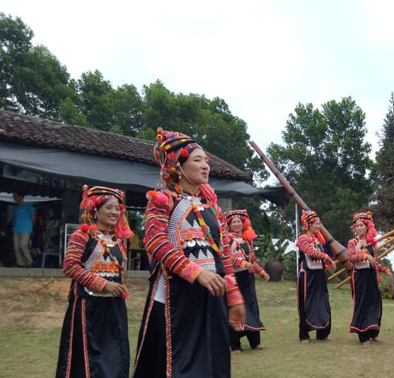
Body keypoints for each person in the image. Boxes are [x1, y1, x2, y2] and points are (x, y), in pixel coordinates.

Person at [133, 128, 245, 378]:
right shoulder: (162, 199)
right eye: (197, 160)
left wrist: (235, 297)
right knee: (178, 365)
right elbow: (156, 241)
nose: (206, 165)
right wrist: (196, 273)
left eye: (206, 160)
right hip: (175, 298)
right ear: (177, 165)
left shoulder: (213, 208)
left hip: (212, 297)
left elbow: (224, 254)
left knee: (213, 364)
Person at [56, 185, 133, 378]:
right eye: (109, 208)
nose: (114, 212)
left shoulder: (119, 240)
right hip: (88, 306)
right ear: (95, 210)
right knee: (89, 355)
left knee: (115, 351)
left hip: (114, 306)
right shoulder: (81, 236)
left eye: (117, 208)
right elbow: (70, 266)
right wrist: (103, 284)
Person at [225, 209, 270, 353]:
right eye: (234, 222)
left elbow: (252, 261)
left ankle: (254, 342)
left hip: (248, 279)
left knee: (251, 307)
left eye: (239, 222)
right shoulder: (227, 239)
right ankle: (235, 344)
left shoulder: (247, 240)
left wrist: (262, 272)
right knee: (235, 307)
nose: (237, 224)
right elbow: (227, 258)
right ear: (230, 225)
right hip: (235, 278)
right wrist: (243, 264)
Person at [347, 211, 392, 346]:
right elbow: (350, 257)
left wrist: (386, 270)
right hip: (359, 277)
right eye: (357, 226)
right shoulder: (352, 242)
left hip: (371, 277)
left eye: (362, 225)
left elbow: (375, 262)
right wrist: (365, 256)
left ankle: (373, 331)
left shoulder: (372, 244)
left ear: (368, 226)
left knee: (375, 303)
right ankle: (363, 336)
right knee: (362, 304)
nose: (359, 228)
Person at [296, 210, 336, 344]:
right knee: (305, 304)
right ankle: (304, 335)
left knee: (323, 303)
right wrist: (326, 257)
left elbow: (321, 256)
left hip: (319, 275)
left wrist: (329, 262)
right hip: (307, 276)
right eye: (316, 224)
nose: (318, 227)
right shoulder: (302, 239)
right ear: (308, 225)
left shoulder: (319, 241)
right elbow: (310, 252)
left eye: (319, 224)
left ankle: (323, 333)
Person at [11, 192, 35, 267]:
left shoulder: (29, 207)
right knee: (16, 247)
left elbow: (33, 218)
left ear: (21, 196)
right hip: (16, 229)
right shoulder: (15, 208)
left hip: (26, 229)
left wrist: (31, 227)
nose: (14, 198)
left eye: (15, 196)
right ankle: (20, 263)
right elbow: (15, 217)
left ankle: (29, 261)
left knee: (22, 245)